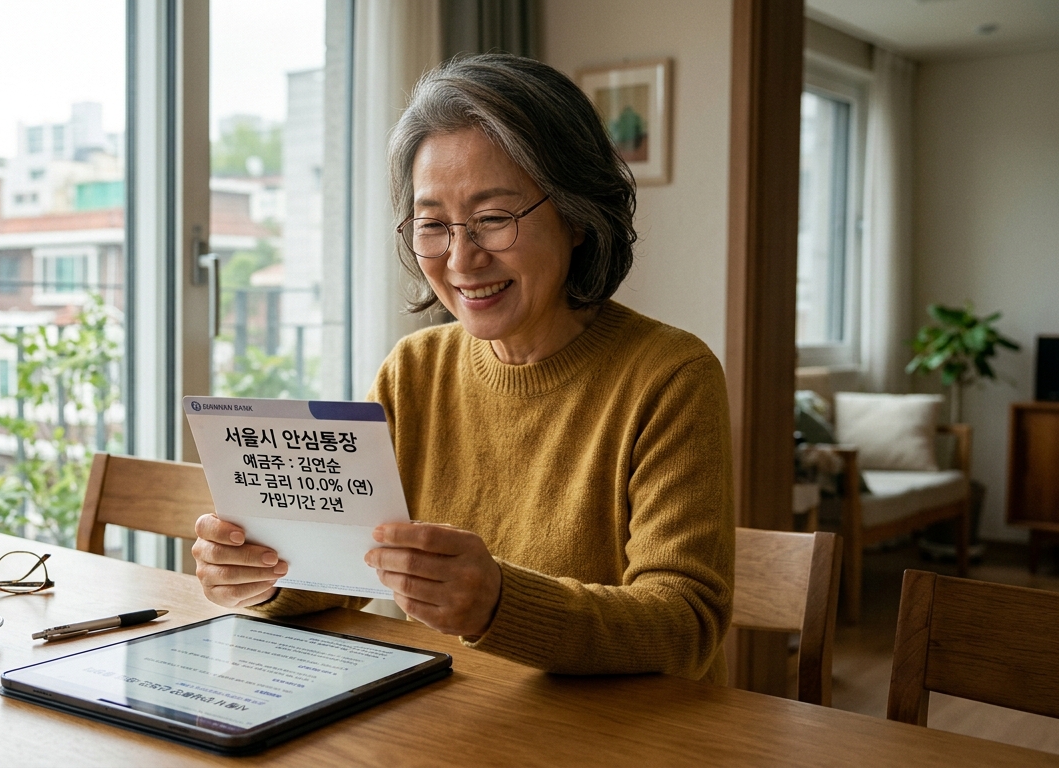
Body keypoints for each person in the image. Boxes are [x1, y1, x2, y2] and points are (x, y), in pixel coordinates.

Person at [192, 54, 734, 683]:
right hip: (448, 721)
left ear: (578, 216)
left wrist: (499, 604)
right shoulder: (414, 370)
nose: (461, 258)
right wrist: (261, 576)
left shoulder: (670, 376)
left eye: (493, 219)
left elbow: (684, 624)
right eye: (433, 225)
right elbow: (350, 566)